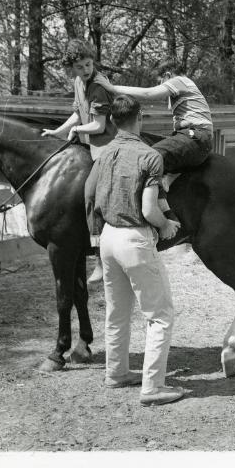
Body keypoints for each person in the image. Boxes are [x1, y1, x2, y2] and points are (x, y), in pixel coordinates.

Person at [94, 95, 185, 406]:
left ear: (115, 121)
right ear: (140, 117)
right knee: (160, 316)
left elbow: (95, 198)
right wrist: (165, 226)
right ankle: (152, 388)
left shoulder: (106, 153)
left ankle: (116, 373)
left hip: (107, 238)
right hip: (134, 239)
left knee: (117, 313)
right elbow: (149, 209)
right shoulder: (149, 156)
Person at [42, 39, 115, 284]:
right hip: (88, 146)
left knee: (92, 193)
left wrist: (78, 130)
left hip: (108, 148)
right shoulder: (78, 82)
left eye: (88, 64)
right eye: (80, 66)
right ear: (72, 68)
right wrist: (59, 132)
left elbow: (99, 125)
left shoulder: (98, 86)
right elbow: (77, 113)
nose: (86, 70)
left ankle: (100, 258)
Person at [93, 59, 213, 189]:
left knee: (151, 156)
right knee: (138, 139)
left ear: (167, 75)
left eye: (160, 81)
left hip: (196, 138)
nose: (160, 85)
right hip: (191, 136)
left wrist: (112, 88)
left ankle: (158, 198)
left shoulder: (180, 81)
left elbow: (148, 93)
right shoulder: (186, 90)